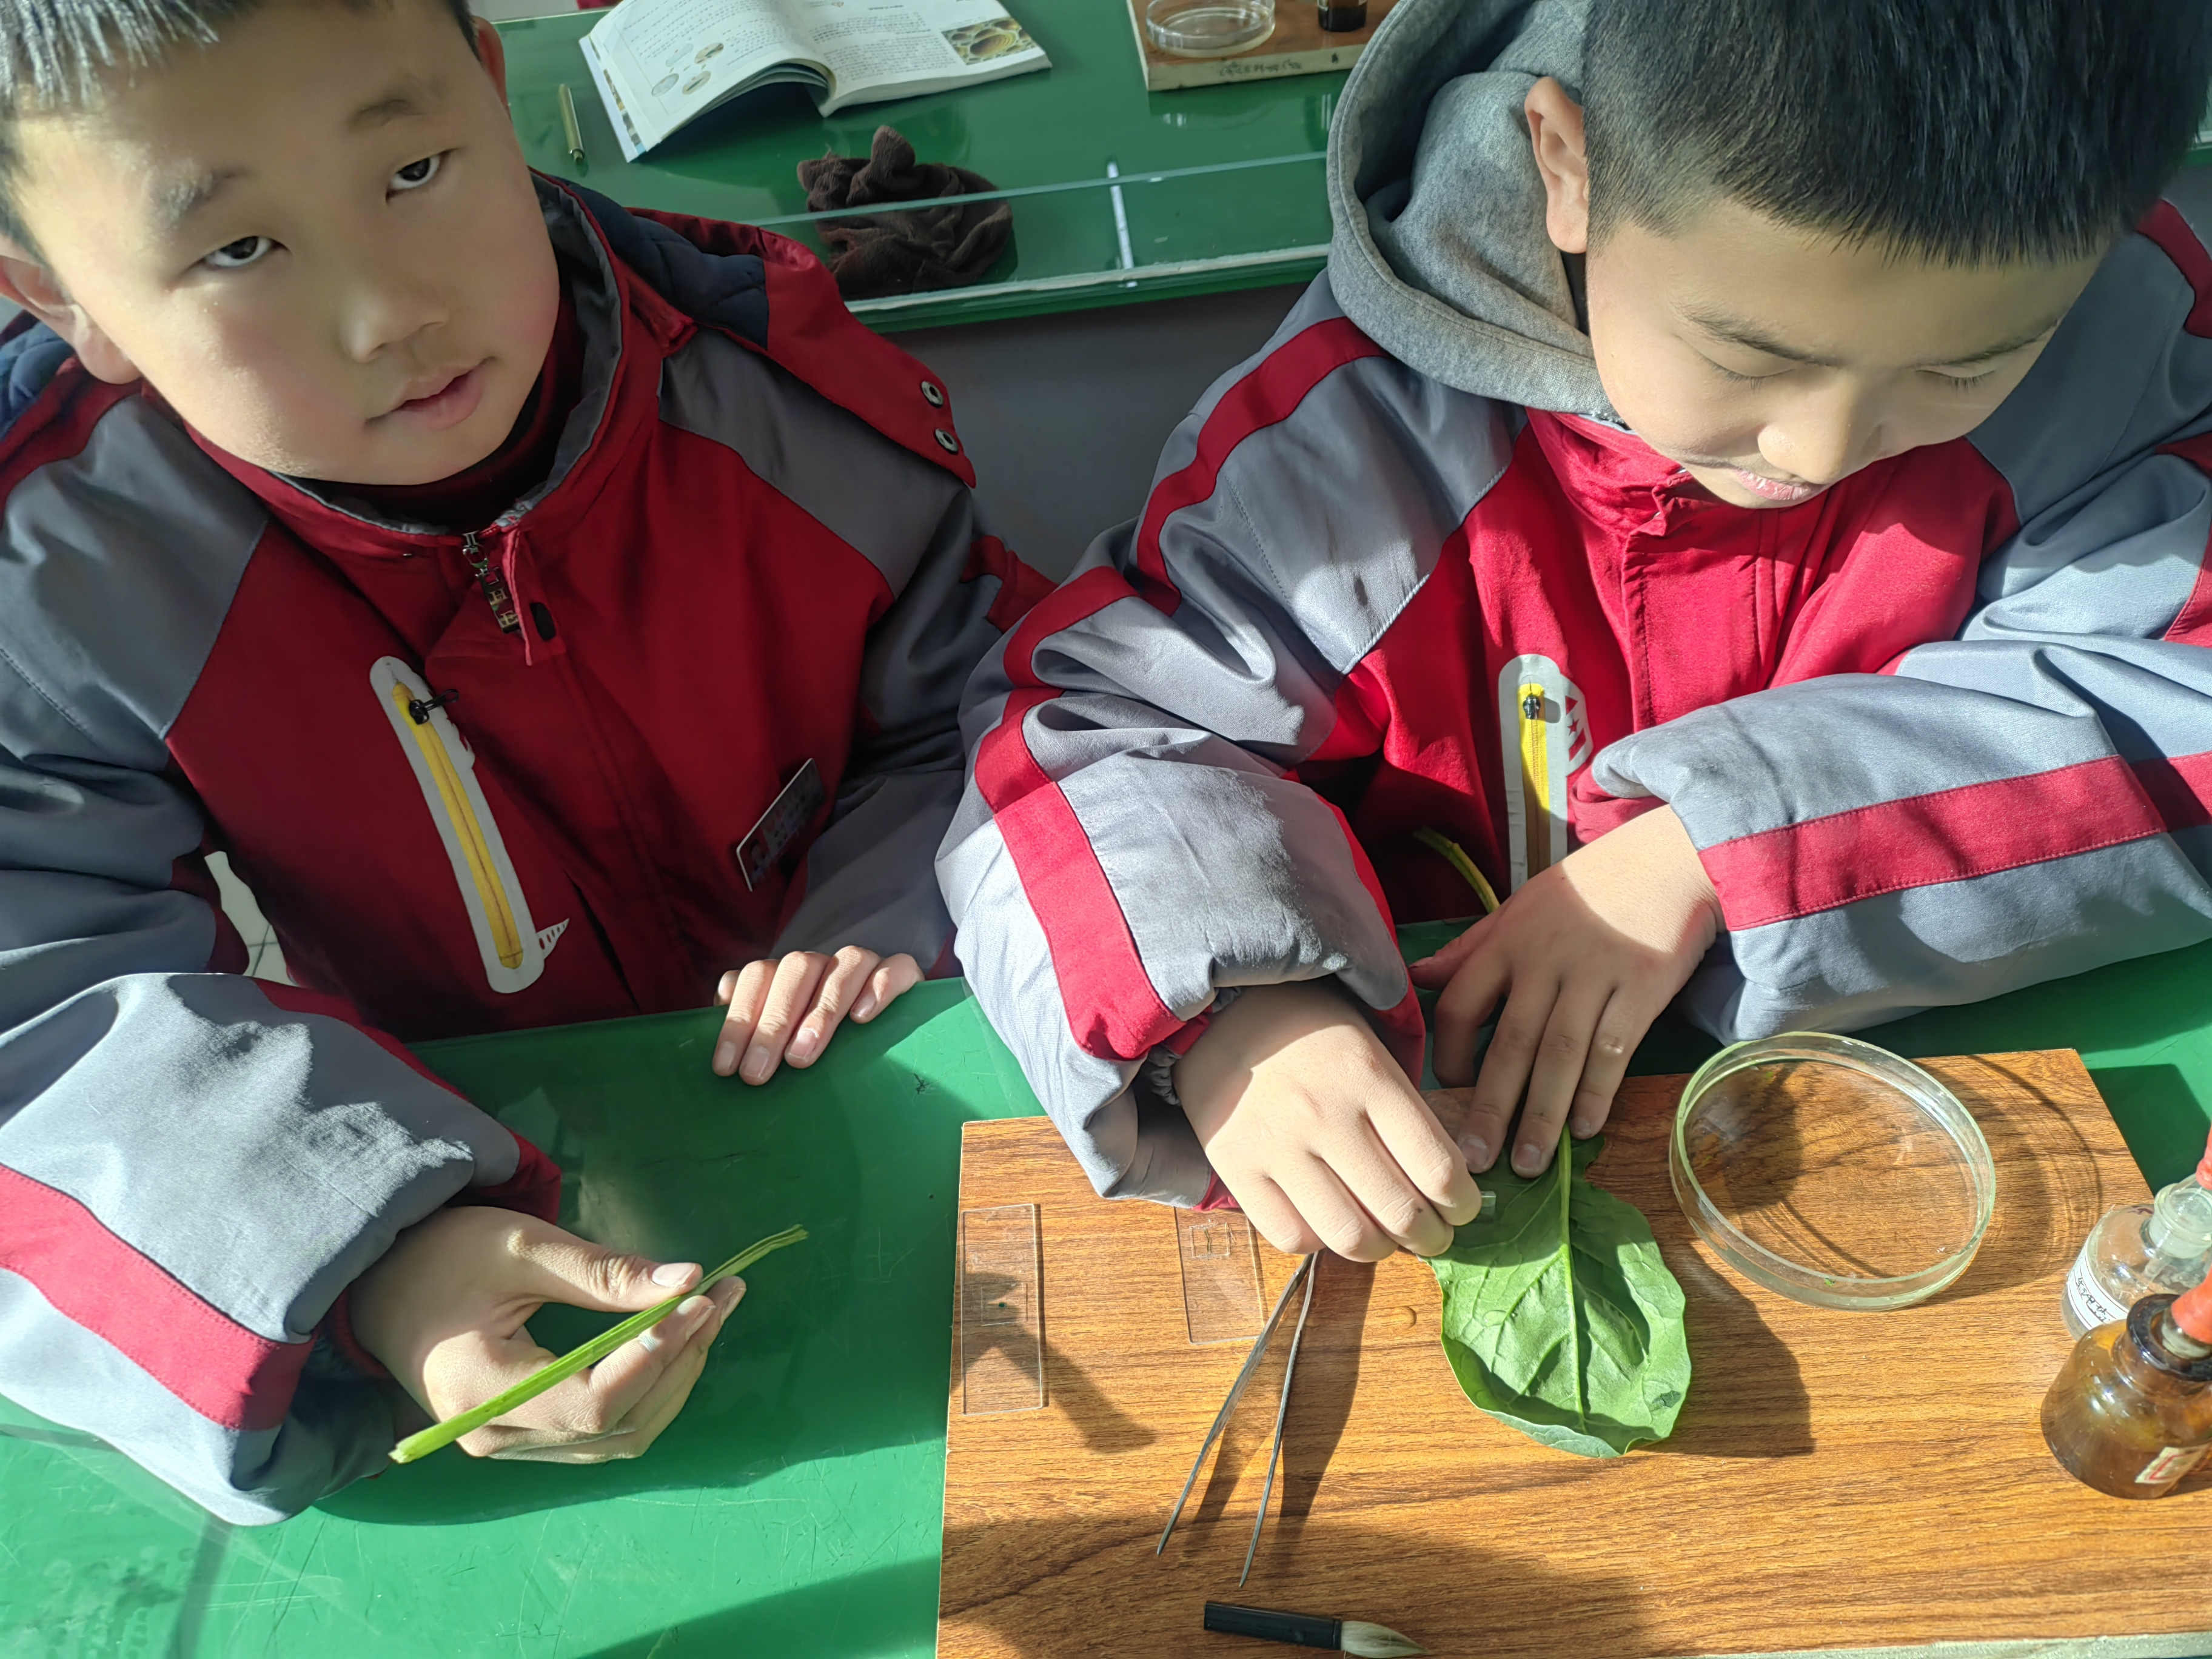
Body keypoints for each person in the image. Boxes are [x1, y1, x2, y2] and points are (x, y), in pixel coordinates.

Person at [942, 0, 2212, 1262]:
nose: (1817, 449)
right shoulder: (1346, 454)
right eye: (1747, 357)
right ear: (1569, 169)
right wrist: (1233, 1018)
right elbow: (1079, 747)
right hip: (1436, 1090)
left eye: (1958, 371)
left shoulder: (2122, 351)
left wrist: (1723, 848)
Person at [0, 0, 1044, 1521]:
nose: (389, 311)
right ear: (58, 295)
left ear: (494, 89)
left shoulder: (773, 385)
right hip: (454, 1160)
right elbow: (39, 1022)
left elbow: (984, 693)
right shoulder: (60, 584)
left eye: (414, 170)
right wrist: (372, 1256)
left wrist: (890, 903)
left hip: (901, 1116)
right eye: (238, 249)